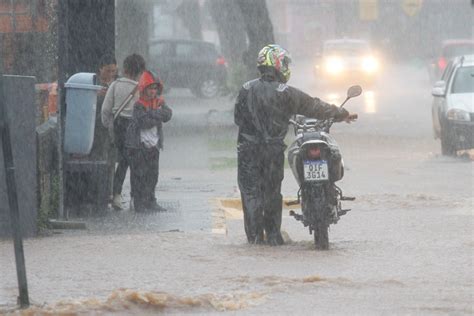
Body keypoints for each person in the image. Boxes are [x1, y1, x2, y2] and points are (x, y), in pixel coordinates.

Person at [234, 44, 357, 246]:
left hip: (248, 150)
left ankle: (255, 240)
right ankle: (273, 237)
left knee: (250, 194)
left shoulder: (246, 89)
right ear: (276, 64)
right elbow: (314, 106)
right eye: (284, 63)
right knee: (272, 193)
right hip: (272, 151)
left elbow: (238, 118)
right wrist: (341, 114)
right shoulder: (286, 92)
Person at [101, 54, 146, 210]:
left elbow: (106, 109)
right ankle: (135, 196)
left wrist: (109, 127)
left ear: (125, 68)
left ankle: (117, 194)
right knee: (134, 162)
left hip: (118, 125)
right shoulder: (140, 89)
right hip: (134, 127)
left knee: (122, 161)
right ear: (140, 71)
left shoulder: (115, 85)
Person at [125, 70, 172, 213]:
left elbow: (168, 114)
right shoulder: (139, 104)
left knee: (153, 175)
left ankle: (151, 200)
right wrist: (157, 114)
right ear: (144, 89)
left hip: (154, 145)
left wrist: (152, 114)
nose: (153, 92)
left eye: (155, 89)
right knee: (139, 175)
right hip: (140, 146)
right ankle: (139, 202)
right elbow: (144, 122)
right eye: (150, 88)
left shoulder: (160, 102)